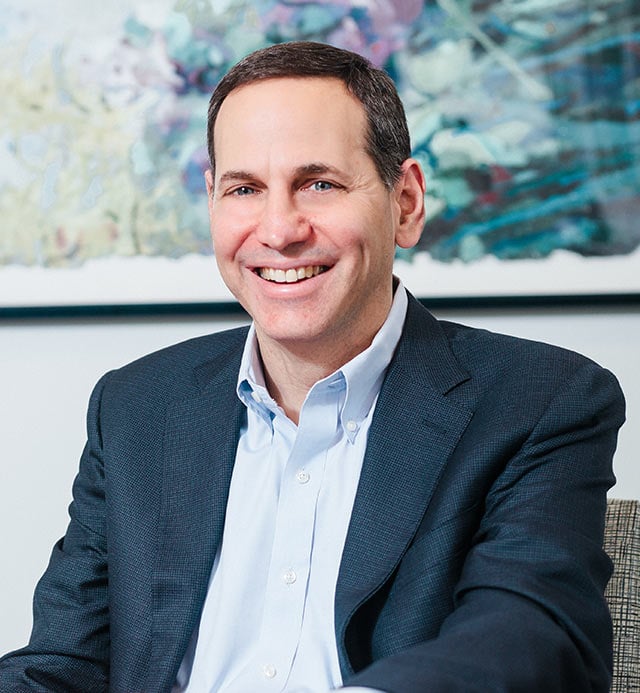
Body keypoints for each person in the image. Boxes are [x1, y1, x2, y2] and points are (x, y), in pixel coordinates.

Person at [0, 41, 625, 693]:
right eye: (245, 189)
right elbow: (62, 663)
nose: (279, 229)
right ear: (212, 201)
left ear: (406, 202)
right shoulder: (135, 407)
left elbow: (530, 642)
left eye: (319, 183)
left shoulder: (539, 402)